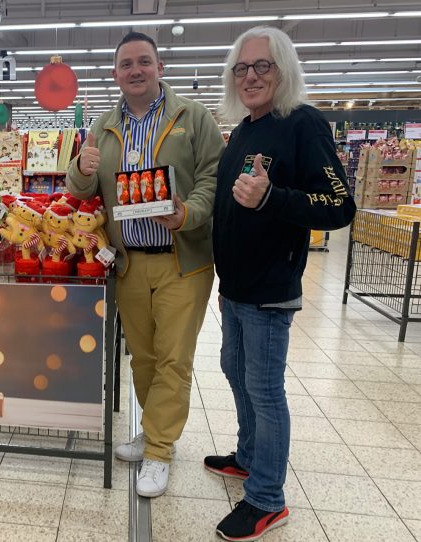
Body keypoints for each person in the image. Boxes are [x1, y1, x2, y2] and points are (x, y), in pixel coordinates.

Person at [204, 26, 355, 541]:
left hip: (270, 289)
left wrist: (273, 199)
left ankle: (267, 498)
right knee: (234, 370)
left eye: (262, 66)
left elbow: (339, 206)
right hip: (236, 287)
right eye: (242, 68)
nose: (251, 76)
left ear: (283, 71)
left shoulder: (303, 123)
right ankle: (249, 456)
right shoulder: (246, 129)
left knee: (265, 390)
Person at [66, 31, 224, 498]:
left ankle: (159, 449)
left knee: (174, 359)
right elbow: (79, 192)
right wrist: (82, 166)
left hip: (182, 261)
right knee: (144, 359)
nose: (135, 70)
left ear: (159, 67)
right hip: (129, 263)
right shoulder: (103, 124)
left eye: (143, 62)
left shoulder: (192, 118)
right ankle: (152, 432)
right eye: (125, 64)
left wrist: (187, 213)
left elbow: (214, 177)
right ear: (116, 74)